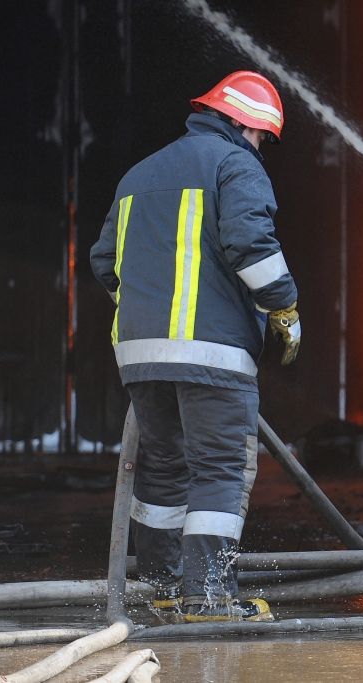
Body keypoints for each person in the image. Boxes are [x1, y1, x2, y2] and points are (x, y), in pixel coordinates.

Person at [90, 71, 301, 623]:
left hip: (140, 356)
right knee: (220, 470)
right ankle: (207, 597)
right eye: (262, 136)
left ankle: (163, 587)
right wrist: (283, 306)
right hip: (213, 355)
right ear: (240, 122)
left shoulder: (138, 174)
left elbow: (104, 262)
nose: (263, 148)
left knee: (162, 471)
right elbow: (251, 245)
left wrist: (146, 313)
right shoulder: (235, 165)